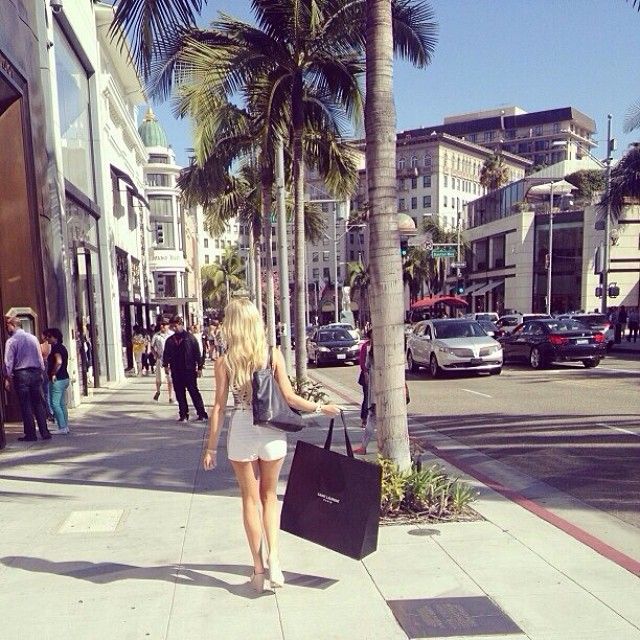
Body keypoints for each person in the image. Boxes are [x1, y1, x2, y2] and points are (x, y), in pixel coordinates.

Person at [202, 298, 341, 592]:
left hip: (241, 429)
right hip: (271, 432)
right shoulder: (271, 355)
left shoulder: (224, 362)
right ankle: (275, 560)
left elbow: (217, 408)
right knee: (269, 497)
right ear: (255, 322)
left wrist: (211, 448)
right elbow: (290, 398)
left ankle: (258, 569)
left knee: (249, 500)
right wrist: (320, 408)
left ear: (232, 325)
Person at [3, 316, 51, 442]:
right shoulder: (33, 338)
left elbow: (8, 362)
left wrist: (7, 377)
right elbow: (40, 357)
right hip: (35, 372)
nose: (6, 328)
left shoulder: (12, 341)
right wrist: (41, 371)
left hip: (21, 374)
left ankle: (30, 434)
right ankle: (44, 432)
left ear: (12, 325)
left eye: (7, 325)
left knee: (26, 404)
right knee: (38, 403)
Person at [163, 315, 208, 422]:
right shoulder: (170, 340)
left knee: (193, 391)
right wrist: (165, 365)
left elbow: (197, 353)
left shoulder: (190, 338)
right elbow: (166, 353)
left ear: (180, 324)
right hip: (176, 370)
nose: (173, 328)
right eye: (172, 326)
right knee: (179, 393)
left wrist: (200, 367)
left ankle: (201, 413)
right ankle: (183, 414)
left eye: (175, 326)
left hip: (189, 370)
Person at [43, 327, 71, 435]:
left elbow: (58, 362)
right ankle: (65, 426)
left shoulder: (56, 348)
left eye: (49, 336)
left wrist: (53, 373)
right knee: (62, 403)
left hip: (57, 379)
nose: (47, 338)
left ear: (55, 337)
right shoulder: (62, 347)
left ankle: (62, 427)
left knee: (55, 404)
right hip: (64, 378)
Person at [151, 319, 174, 402]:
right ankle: (158, 391)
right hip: (160, 359)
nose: (162, 326)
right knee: (159, 379)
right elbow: (152, 346)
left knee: (170, 379)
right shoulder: (157, 335)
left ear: (168, 326)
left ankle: (170, 397)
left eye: (164, 324)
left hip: (171, 360)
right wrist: (155, 354)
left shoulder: (172, 335)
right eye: (161, 324)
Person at [357, 329, 372, 429]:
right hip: (367, 373)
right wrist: (366, 373)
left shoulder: (379, 346)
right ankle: (364, 418)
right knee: (366, 397)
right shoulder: (365, 346)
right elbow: (362, 362)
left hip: (376, 373)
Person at [40, 331, 55, 422]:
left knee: (46, 393)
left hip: (44, 368)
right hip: (51, 369)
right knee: (51, 392)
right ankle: (53, 412)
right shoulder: (52, 346)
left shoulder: (41, 346)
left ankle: (49, 413)